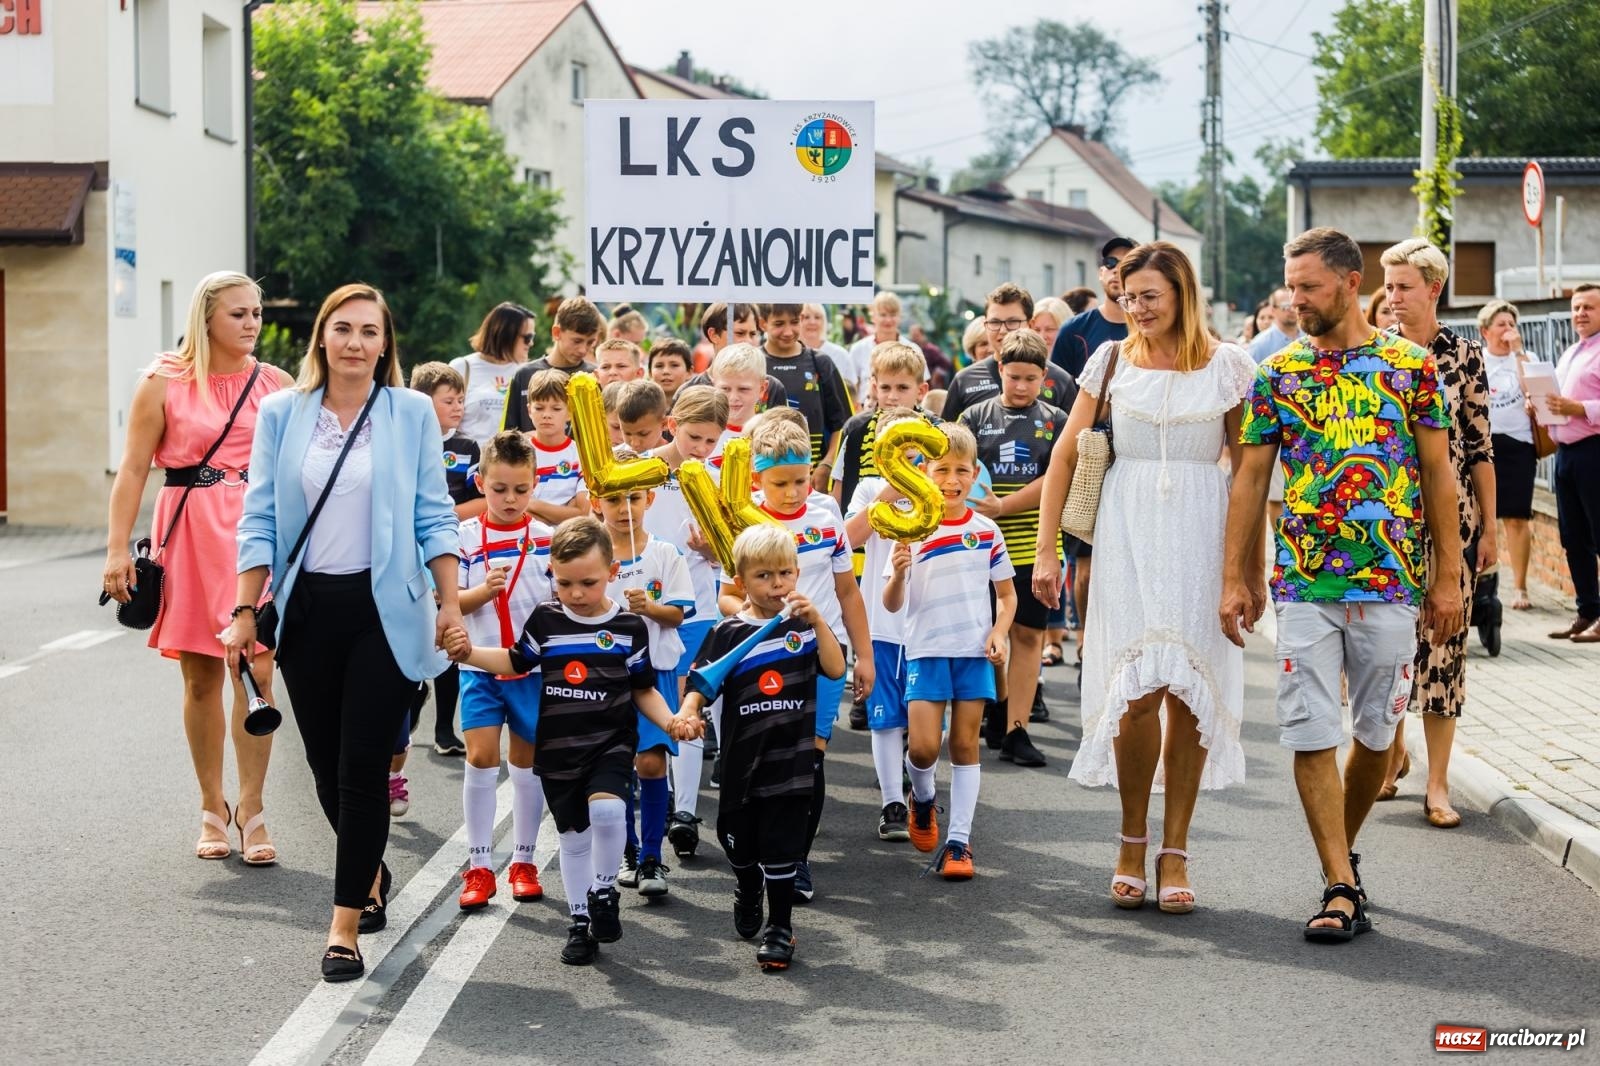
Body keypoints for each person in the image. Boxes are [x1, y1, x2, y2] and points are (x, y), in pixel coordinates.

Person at [1220, 228, 1463, 942]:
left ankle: (1341, 859)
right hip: (1305, 581)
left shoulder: (1410, 367)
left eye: (1310, 287)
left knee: (1379, 734)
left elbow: (1437, 475)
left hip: (1391, 579)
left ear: (1353, 283)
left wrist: (1448, 575)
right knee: (1310, 729)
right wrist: (1237, 575)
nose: (1295, 301)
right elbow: (1251, 480)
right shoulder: (1279, 374)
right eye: (1290, 287)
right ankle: (1338, 883)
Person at [225, 282, 464, 981]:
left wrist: (449, 602)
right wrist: (246, 611)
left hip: (384, 613)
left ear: (385, 343)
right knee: (325, 767)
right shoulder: (281, 413)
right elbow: (260, 518)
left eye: (369, 330)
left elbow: (434, 514)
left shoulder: (410, 412)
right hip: (306, 612)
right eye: (342, 329)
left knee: (362, 769)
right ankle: (373, 871)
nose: (355, 342)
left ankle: (343, 926)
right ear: (321, 338)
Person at [1034, 241, 1257, 913]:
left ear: (1183, 294)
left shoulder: (1230, 367)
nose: (1136, 309)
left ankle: (1177, 847)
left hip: (1202, 531)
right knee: (1135, 694)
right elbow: (1065, 459)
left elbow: (1249, 475)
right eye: (1128, 298)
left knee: (1189, 696)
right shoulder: (1106, 362)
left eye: (1149, 297)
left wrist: (1248, 569)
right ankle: (1132, 838)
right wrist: (1046, 550)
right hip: (1127, 534)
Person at [444, 517, 702, 965]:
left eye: (588, 582)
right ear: (552, 575)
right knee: (572, 836)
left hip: (610, 744)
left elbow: (642, 688)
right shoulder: (545, 619)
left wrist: (671, 720)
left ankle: (603, 892)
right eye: (565, 583)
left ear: (613, 573)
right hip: (560, 750)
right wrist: (469, 653)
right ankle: (580, 920)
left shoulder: (629, 627)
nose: (577, 593)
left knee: (607, 810)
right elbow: (514, 659)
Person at [103, 271, 293, 866]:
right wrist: (115, 550)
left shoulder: (278, 385)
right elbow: (134, 469)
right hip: (187, 531)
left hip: (257, 534)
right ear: (205, 318)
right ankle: (212, 805)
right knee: (202, 678)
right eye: (239, 313)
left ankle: (253, 807)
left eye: (257, 312)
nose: (253, 323)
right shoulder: (163, 383)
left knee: (258, 671)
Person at [679, 525, 846, 972]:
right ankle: (747, 883)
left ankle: (780, 927)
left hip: (791, 761)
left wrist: (819, 622)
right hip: (742, 760)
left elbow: (835, 668)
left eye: (786, 574)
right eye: (764, 576)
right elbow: (699, 686)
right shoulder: (728, 632)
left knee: (783, 845)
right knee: (739, 844)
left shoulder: (804, 628)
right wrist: (690, 712)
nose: (778, 585)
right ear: (740, 580)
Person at [1383, 238, 1497, 827]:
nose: (1392, 297)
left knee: (1445, 646)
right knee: (1387, 644)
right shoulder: (1377, 354)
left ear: (1433, 288)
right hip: (1387, 522)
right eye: (1388, 286)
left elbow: (1479, 446)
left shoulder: (1464, 355)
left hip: (1452, 522)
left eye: (1403, 286)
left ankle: (1437, 784)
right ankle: (1392, 752)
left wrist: (1491, 530)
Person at [884, 422, 1017, 879]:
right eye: (942, 469)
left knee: (964, 744)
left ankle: (960, 842)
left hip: (973, 651)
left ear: (976, 472)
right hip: (924, 649)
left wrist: (999, 631)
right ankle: (922, 800)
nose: (952, 480)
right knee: (923, 749)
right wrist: (899, 573)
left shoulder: (986, 531)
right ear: (923, 470)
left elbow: (1007, 596)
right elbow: (891, 602)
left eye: (962, 470)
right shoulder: (910, 527)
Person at [750, 417, 874, 901]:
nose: (792, 491)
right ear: (758, 479)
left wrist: (864, 657)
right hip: (764, 656)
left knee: (811, 758)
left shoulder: (827, 520)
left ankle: (797, 858)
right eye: (780, 483)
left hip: (823, 653)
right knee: (767, 758)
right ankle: (764, 849)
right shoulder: (747, 519)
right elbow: (727, 595)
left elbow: (848, 592)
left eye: (801, 480)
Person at [958, 327, 1072, 767]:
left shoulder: (1056, 421)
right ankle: (993, 708)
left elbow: (1055, 479)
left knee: (1027, 634)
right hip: (979, 545)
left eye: (1031, 378)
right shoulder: (973, 416)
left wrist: (1004, 504)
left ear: (1044, 377)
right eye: (1013, 377)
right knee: (985, 635)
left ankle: (1017, 729)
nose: (1021, 386)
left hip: (1034, 544)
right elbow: (957, 468)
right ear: (999, 370)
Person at [454, 431, 552, 911]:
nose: (510, 499)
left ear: (534, 486)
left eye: (520, 489)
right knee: (480, 757)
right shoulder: (464, 539)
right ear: (480, 484)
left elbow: (565, 601)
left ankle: (524, 860)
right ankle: (476, 865)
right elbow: (447, 600)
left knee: (526, 763)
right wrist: (481, 594)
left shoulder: (550, 541)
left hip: (534, 670)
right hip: (481, 665)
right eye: (499, 489)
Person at [594, 458, 694, 898]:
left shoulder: (664, 553)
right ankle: (629, 851)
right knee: (616, 770)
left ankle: (653, 856)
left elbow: (677, 614)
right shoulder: (592, 555)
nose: (625, 508)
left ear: (650, 499)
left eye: (634, 498)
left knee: (651, 762)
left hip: (655, 672)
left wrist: (648, 607)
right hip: (605, 677)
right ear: (598, 503)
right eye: (614, 499)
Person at [643, 385, 730, 853]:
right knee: (642, 706)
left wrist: (709, 548)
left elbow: (733, 554)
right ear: (672, 425)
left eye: (710, 441)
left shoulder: (716, 479)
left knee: (686, 705)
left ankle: (685, 811)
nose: (700, 449)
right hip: (635, 606)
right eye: (693, 437)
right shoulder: (638, 466)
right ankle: (644, 789)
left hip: (695, 606)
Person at [840, 403, 923, 838]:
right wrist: (885, 497)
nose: (906, 458)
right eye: (894, 448)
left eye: (912, 448)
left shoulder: (939, 484)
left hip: (930, 625)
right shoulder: (870, 488)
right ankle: (892, 802)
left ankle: (920, 789)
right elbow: (847, 540)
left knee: (926, 726)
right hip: (884, 625)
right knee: (885, 717)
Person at [409, 362, 486, 755]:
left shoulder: (468, 448)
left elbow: (483, 499)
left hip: (450, 550)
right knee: (411, 635)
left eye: (461, 400)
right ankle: (409, 705)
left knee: (448, 634)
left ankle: (443, 730)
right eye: (448, 400)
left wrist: (442, 516)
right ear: (423, 401)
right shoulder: (403, 440)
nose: (458, 407)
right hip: (409, 552)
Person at [1546, 283, 1600, 643]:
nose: (1580, 313)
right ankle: (1588, 611)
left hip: (1594, 451)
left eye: (1589, 308)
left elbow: (1580, 406)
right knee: (1573, 538)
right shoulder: (1571, 353)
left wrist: (1578, 408)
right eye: (1577, 307)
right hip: (1565, 455)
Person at [1476, 300, 1537, 611]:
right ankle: (1482, 584)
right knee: (1482, 518)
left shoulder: (1525, 358)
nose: (1507, 330)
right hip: (1484, 445)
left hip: (1518, 443)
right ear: (1485, 331)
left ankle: (1521, 587)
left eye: (1511, 324)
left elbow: (1534, 392)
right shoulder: (1477, 358)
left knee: (1516, 518)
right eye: (1501, 324)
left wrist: (1517, 351)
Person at [942, 283, 1075, 421]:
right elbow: (949, 438)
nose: (1003, 330)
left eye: (1012, 322)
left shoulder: (1061, 381)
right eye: (995, 322)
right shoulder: (964, 380)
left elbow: (1074, 438)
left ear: (1031, 325)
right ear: (985, 325)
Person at [831, 343, 932, 515]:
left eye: (902, 388)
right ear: (875, 387)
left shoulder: (936, 430)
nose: (893, 397)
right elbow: (838, 493)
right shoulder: (856, 429)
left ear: (921, 391)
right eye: (885, 388)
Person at [759, 303, 853, 486]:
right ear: (763, 323)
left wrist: (826, 465)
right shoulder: (753, 363)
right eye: (779, 324)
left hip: (812, 479)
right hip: (763, 475)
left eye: (794, 322)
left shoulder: (820, 362)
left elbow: (843, 425)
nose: (787, 332)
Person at [501, 296, 603, 433]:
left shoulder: (596, 377)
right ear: (556, 333)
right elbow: (507, 434)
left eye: (590, 342)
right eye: (577, 341)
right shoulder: (524, 375)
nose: (583, 349)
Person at [451, 302, 533, 445]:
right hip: (467, 462)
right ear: (506, 334)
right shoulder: (462, 367)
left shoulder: (526, 373)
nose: (531, 343)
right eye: (527, 337)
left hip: (512, 463)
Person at [1050, 237, 1133, 378]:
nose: (1117, 270)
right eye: (1110, 263)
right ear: (1101, 273)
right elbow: (1054, 389)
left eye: (1126, 264)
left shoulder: (1152, 331)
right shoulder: (1073, 330)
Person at [522, 368, 591, 526]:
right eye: (539, 408)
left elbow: (583, 513)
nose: (547, 415)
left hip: (568, 540)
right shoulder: (518, 453)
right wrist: (563, 512)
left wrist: (532, 504)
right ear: (529, 410)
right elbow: (512, 507)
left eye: (556, 408)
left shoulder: (581, 455)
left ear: (570, 411)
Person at [846, 291, 911, 405]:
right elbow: (851, 389)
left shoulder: (912, 349)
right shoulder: (858, 349)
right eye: (883, 315)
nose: (888, 320)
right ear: (873, 316)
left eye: (892, 315)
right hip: (866, 412)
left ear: (899, 317)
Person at [1247, 287, 1298, 365]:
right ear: (1273, 310)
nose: (1291, 309)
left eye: (1294, 304)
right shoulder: (1259, 344)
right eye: (1285, 306)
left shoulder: (1311, 338)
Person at [798, 303, 852, 375]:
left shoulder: (840, 354)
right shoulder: (791, 354)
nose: (812, 322)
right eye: (806, 317)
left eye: (817, 317)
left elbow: (851, 385)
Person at [648, 338, 694, 407]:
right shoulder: (639, 407)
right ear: (650, 373)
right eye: (659, 366)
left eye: (674, 365)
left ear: (689, 372)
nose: (666, 371)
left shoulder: (698, 407)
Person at [908, 323, 954, 388]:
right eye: (912, 336)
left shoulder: (931, 349)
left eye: (916, 335)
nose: (914, 338)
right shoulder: (910, 349)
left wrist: (936, 375)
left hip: (932, 386)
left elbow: (946, 363)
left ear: (922, 335)